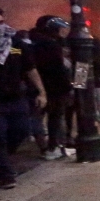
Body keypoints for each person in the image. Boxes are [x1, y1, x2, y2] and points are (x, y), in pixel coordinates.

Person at [0, 5, 47, 188]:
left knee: (22, 131)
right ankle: (5, 176)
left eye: (1, 22)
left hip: (17, 99)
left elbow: (30, 69)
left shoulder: (15, 44)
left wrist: (41, 92)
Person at [30, 15, 73, 160]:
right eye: (61, 29)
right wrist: (69, 87)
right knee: (56, 118)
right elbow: (58, 68)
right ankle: (54, 147)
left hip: (37, 87)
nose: (63, 31)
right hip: (55, 88)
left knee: (37, 118)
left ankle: (47, 147)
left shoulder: (32, 42)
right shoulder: (52, 45)